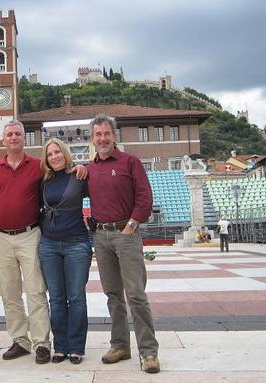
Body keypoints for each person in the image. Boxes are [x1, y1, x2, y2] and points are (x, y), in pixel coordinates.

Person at [87, 114, 160, 373]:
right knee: (113, 296)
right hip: (101, 236)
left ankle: (149, 352)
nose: (103, 138)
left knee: (136, 295)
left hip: (126, 234)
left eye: (106, 133)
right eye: (98, 134)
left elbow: (144, 198)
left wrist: (131, 227)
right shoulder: (89, 168)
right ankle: (120, 345)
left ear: (114, 136)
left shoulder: (131, 162)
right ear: (92, 139)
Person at [0, 119, 52, 364]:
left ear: (24, 139)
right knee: (9, 292)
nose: (13, 137)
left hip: (30, 235)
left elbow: (59, 174)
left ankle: (42, 342)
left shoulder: (37, 166)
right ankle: (20, 340)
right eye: (9, 134)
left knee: (35, 290)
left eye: (17, 134)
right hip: (0, 237)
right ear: (3, 140)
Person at [38, 138, 92, 365]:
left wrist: (85, 167)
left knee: (76, 297)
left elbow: (100, 193)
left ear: (65, 153)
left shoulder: (79, 176)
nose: (54, 156)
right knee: (57, 299)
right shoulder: (44, 181)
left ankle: (77, 346)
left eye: (57, 152)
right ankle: (60, 346)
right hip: (49, 244)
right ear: (46, 159)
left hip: (76, 243)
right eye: (50, 154)